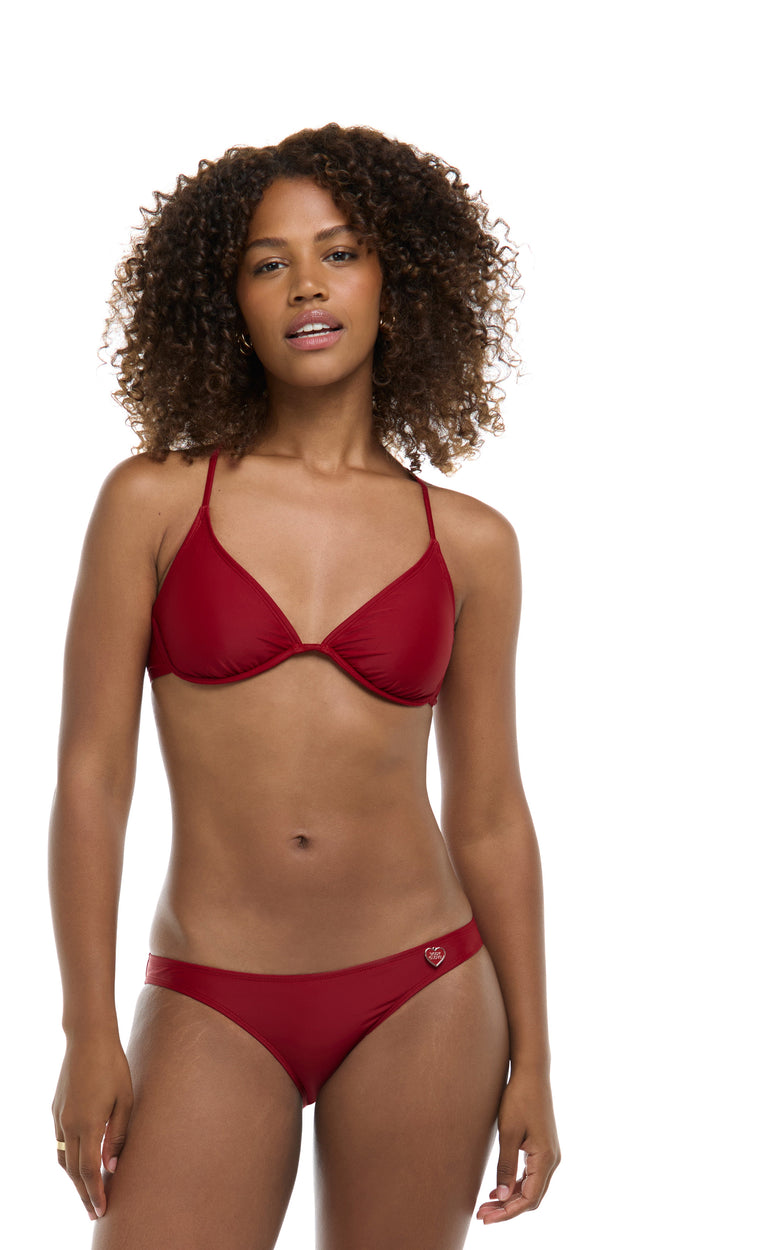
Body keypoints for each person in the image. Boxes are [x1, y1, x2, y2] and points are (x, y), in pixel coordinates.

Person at [49, 122, 560, 1249]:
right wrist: (88, 1029)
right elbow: (92, 780)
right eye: (267, 263)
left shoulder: (473, 541)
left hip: (426, 990)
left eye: (340, 253)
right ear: (224, 300)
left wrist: (535, 1055)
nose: (307, 286)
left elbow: (488, 811)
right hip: (211, 991)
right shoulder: (153, 502)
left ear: (398, 282)